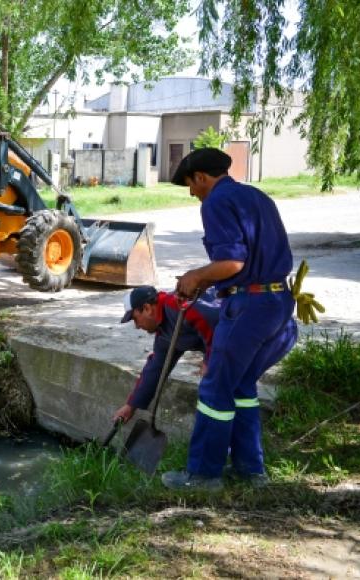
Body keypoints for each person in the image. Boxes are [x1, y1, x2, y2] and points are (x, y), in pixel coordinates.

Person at [166, 147, 298, 491]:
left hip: (248, 306)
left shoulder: (215, 202)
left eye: (190, 185)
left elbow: (233, 263)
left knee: (214, 388)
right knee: (240, 387)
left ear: (201, 177)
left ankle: (203, 475)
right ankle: (250, 470)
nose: (192, 193)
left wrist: (195, 276)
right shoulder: (257, 196)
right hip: (278, 302)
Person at [112, 285, 220, 425]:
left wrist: (209, 360)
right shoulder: (164, 332)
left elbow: (214, 322)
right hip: (224, 343)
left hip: (239, 332)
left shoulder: (180, 307)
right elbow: (156, 368)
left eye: (135, 319)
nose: (137, 326)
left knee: (216, 387)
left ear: (147, 309)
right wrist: (131, 406)